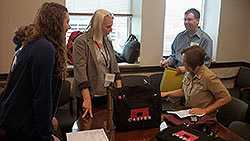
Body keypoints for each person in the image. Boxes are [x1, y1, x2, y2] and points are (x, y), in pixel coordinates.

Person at [0, 2, 70, 141]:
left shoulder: (32, 43)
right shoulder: (45, 48)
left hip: (10, 118)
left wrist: (49, 118)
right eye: (67, 22)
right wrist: (46, 136)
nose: (68, 26)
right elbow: (41, 96)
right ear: (55, 23)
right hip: (20, 125)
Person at [73, 9, 122, 118]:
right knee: (87, 127)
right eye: (107, 27)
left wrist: (119, 93)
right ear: (97, 25)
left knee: (105, 125)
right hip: (88, 94)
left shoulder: (107, 41)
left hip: (105, 92)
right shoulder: (81, 42)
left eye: (111, 26)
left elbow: (114, 65)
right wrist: (87, 99)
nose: (111, 30)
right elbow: (80, 71)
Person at [161, 45, 231, 117]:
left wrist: (205, 110)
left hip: (204, 116)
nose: (183, 63)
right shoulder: (189, 72)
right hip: (190, 112)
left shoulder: (208, 77)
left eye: (184, 62)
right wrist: (166, 93)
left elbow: (226, 98)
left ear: (193, 65)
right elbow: (184, 91)